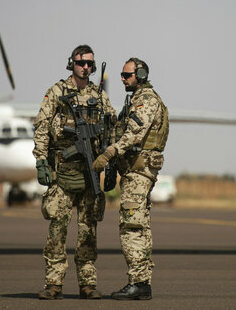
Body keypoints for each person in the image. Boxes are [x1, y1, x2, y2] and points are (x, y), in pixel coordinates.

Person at [33, 45, 115, 300]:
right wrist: (41, 162)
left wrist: (111, 164)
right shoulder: (57, 92)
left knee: (88, 232)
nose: (86, 68)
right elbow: (41, 126)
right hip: (63, 174)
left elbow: (111, 129)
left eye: (90, 63)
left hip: (90, 174)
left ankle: (87, 284)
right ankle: (53, 283)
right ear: (72, 64)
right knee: (57, 230)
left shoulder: (99, 96)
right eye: (81, 63)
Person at [92, 57, 168, 300]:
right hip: (135, 171)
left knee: (131, 226)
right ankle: (142, 282)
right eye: (122, 76)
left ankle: (138, 282)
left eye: (127, 75)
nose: (123, 79)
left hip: (139, 171)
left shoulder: (146, 100)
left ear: (141, 74)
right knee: (140, 225)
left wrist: (110, 152)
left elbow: (135, 134)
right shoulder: (134, 100)